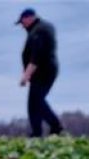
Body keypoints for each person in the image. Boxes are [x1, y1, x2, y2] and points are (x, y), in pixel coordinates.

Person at [16, 8, 63, 137]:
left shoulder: (40, 30)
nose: (22, 25)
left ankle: (56, 126)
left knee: (36, 101)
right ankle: (37, 132)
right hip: (44, 70)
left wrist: (26, 75)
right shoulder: (39, 29)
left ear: (29, 18)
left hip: (43, 71)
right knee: (34, 102)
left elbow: (38, 55)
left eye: (22, 22)